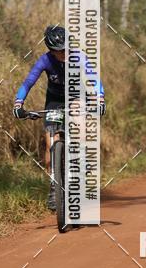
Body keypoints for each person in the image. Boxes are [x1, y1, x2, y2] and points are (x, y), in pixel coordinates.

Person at [13, 25, 105, 209]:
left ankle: (81, 167)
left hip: (77, 97)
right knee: (50, 146)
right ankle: (54, 188)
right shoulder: (45, 60)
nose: (64, 53)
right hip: (54, 101)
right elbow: (28, 82)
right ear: (50, 50)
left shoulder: (78, 57)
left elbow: (93, 78)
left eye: (66, 48)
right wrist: (18, 102)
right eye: (59, 50)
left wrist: (100, 98)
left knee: (79, 125)